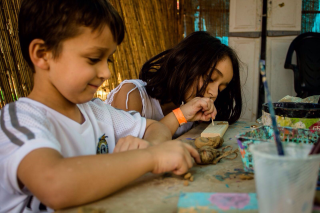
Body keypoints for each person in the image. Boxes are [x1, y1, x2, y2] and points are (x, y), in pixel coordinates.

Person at [0, 0, 201, 212]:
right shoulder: (18, 122)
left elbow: (155, 127)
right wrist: (150, 158)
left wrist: (151, 146)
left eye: (109, 60)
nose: (107, 73)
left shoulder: (97, 111)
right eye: (94, 58)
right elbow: (54, 184)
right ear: (42, 54)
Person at [106, 31, 242, 138]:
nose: (214, 93)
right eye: (210, 78)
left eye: (221, 88)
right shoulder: (132, 95)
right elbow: (131, 156)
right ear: (184, 64)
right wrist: (179, 116)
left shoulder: (192, 111)